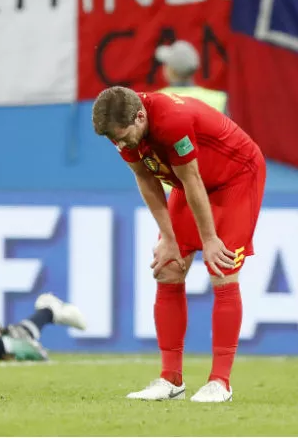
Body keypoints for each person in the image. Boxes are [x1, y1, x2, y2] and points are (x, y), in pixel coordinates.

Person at [91, 87, 266, 403]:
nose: (119, 144)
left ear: (140, 116)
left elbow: (193, 180)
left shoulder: (173, 121)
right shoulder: (124, 130)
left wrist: (210, 239)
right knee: (168, 269)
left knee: (221, 268)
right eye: (113, 140)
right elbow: (146, 179)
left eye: (122, 136)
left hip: (235, 178)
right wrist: (169, 240)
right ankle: (170, 379)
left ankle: (220, 382)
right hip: (190, 185)